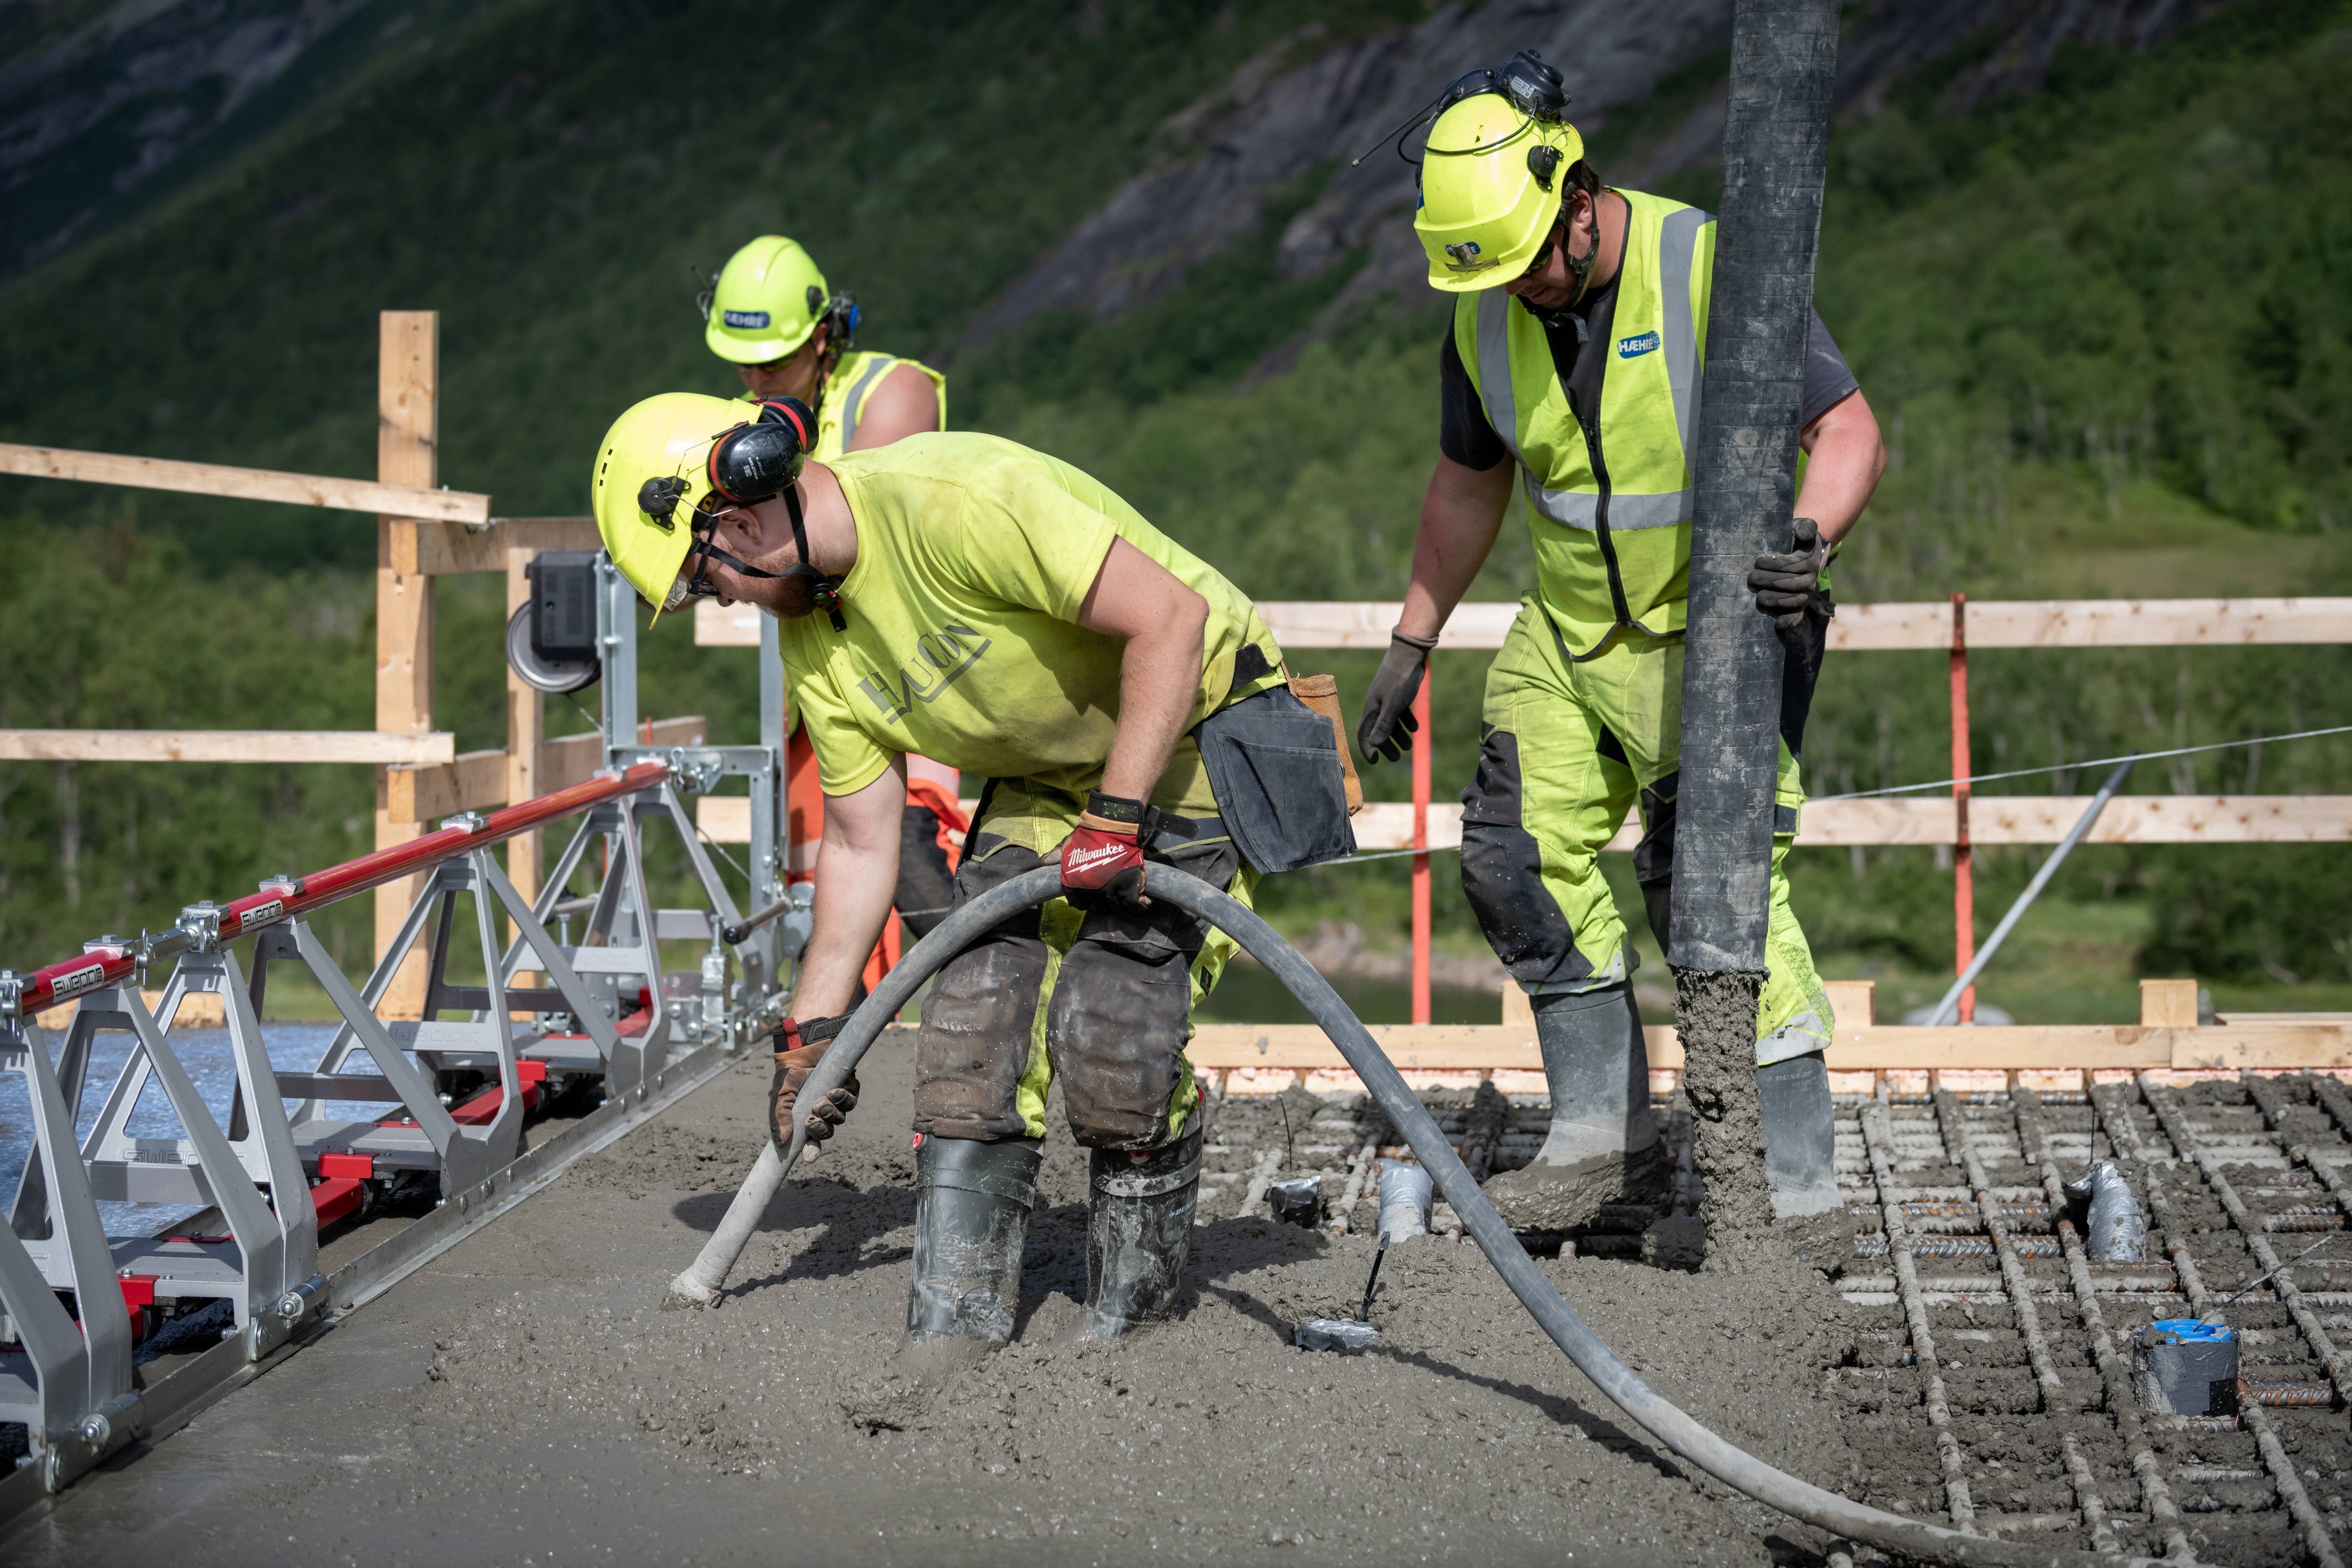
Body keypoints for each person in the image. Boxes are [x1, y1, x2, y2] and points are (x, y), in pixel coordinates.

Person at [590, 394, 1356, 1347]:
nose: (730, 602)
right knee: (967, 1035)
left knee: (1114, 1031)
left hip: (1187, 723)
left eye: (710, 584)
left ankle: (1135, 1325)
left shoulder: (954, 500)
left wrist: (1116, 819)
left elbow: (1174, 618)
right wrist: (814, 1034)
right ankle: (953, 1325)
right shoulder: (814, 647)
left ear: (736, 514)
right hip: (1047, 773)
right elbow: (865, 843)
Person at [1356, 53, 1885, 1244]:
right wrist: (1411, 637)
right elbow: (1466, 479)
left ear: (1578, 192)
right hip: (1573, 632)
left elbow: (1845, 430)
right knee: (1511, 854)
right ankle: (1605, 1143)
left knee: (1719, 897)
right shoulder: (1488, 311)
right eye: (1497, 273)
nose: (1526, 291)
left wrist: (1811, 535)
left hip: (1726, 631)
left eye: (1533, 259)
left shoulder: (1705, 261)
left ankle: (1796, 1191)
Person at [703, 235, 962, 955]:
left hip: (914, 679)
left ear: (824, 337)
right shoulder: (750, 408)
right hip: (818, 689)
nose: (757, 381)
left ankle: (993, 1041)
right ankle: (846, 1053)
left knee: (921, 875)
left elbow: (842, 543)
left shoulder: (893, 391)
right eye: (744, 363)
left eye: (774, 361)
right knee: (829, 903)